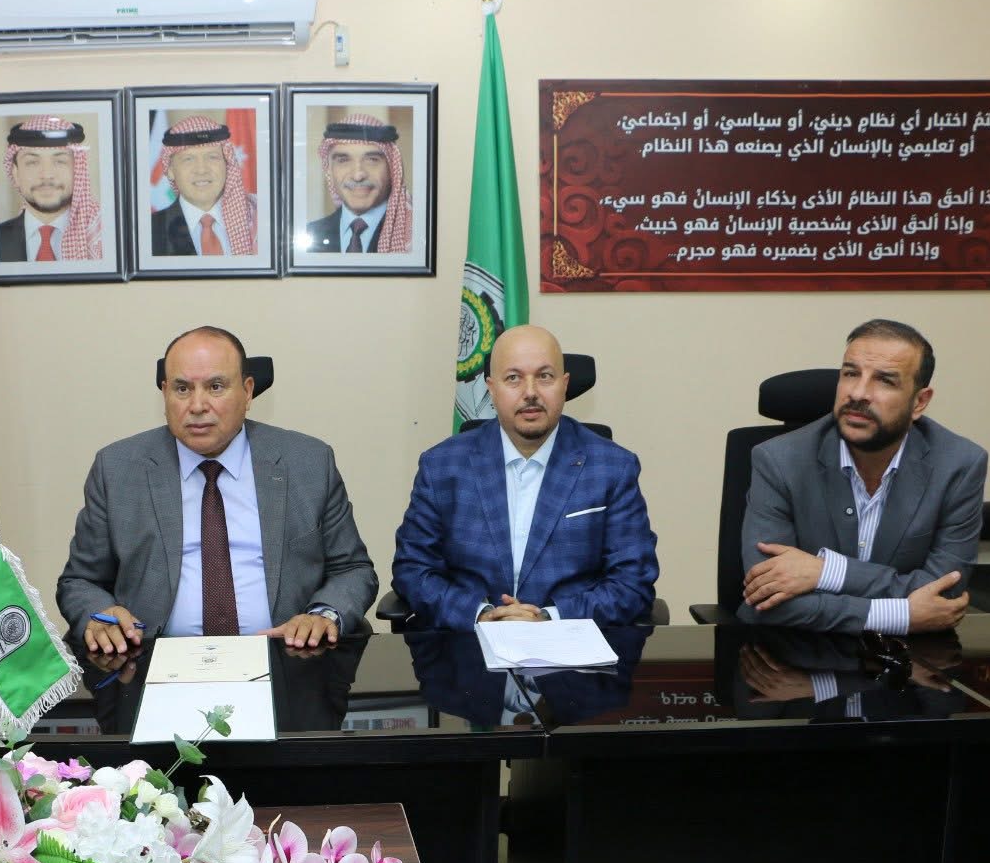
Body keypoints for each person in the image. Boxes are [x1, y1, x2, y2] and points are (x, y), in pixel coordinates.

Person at [57, 326, 376, 654]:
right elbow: (80, 581)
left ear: (248, 392)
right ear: (165, 393)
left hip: (288, 657)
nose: (197, 405)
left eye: (216, 387)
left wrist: (323, 615)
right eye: (182, 388)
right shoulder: (117, 469)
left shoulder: (307, 463)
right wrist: (101, 615)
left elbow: (352, 569)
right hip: (150, 660)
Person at [392, 325, 659, 630]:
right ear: (491, 389)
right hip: (468, 643)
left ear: (564, 384)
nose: (530, 392)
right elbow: (413, 570)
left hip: (571, 646)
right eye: (513, 378)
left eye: (544, 376)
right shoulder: (442, 466)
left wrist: (549, 618)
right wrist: (480, 614)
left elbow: (632, 582)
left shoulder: (613, 467)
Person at [739, 319, 988, 634]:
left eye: (885, 380)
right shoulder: (778, 460)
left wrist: (827, 572)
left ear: (919, 402)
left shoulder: (959, 465)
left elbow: (944, 594)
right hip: (788, 652)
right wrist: (900, 615)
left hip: (907, 659)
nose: (858, 393)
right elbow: (766, 597)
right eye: (850, 374)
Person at [0, 116, 104, 262]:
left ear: (78, 170)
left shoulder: (104, 237)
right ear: (15, 174)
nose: (46, 175)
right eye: (32, 162)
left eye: (60, 161)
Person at [305, 115, 413, 254]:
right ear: (329, 170)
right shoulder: (310, 234)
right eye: (343, 160)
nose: (358, 175)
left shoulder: (415, 234)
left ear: (392, 168)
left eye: (372, 160)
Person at [150, 117, 257, 257]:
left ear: (227, 163)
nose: (201, 170)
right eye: (188, 159)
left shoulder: (257, 220)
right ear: (170, 170)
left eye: (212, 157)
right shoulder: (150, 231)